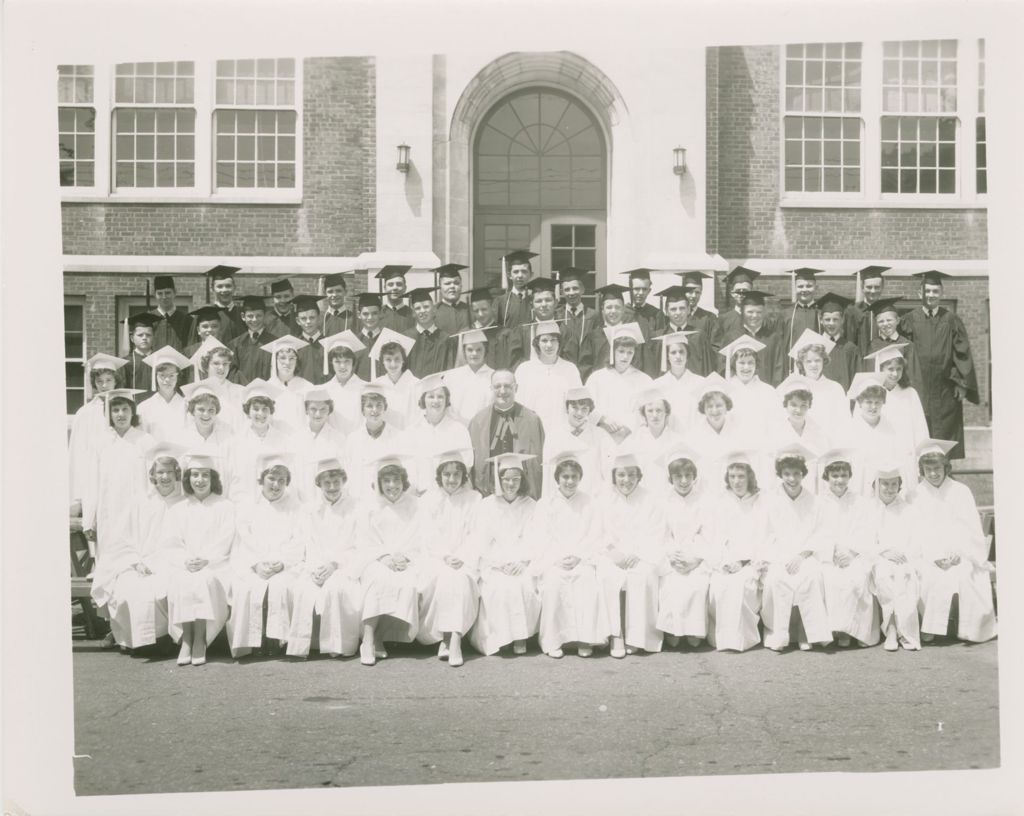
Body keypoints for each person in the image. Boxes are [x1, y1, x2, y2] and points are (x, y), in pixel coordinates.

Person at [90, 442, 185, 652]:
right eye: (160, 472)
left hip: (172, 563)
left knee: (167, 586)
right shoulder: (140, 502)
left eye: (170, 472)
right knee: (130, 587)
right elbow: (121, 539)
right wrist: (135, 562)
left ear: (177, 474)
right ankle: (135, 641)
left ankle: (164, 640)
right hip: (139, 561)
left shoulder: (184, 503)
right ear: (152, 475)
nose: (165, 477)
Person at [910, 439, 996, 643]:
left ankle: (968, 629)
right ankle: (929, 626)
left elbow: (971, 529)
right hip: (927, 555)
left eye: (937, 468)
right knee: (926, 575)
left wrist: (959, 553)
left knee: (967, 575)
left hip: (961, 554)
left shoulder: (960, 491)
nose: (933, 473)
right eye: (928, 469)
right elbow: (916, 533)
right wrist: (935, 556)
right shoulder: (915, 495)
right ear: (921, 469)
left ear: (946, 467)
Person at [356, 454, 436, 665]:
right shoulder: (369, 507)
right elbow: (363, 541)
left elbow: (424, 539)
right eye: (387, 481)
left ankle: (381, 637)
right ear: (379, 483)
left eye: (396, 480)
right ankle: (368, 638)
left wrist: (406, 558)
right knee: (378, 580)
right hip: (377, 560)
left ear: (404, 482)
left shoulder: (417, 506)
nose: (392, 486)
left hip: (408, 561)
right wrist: (383, 557)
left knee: (408, 583)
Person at [533, 449, 612, 658]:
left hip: (581, 558)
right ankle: (553, 640)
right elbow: (541, 536)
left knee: (585, 579)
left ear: (580, 478)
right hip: (554, 560)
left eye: (573, 477)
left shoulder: (589, 502)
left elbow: (595, 534)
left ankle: (584, 638)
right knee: (554, 582)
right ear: (557, 478)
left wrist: (579, 556)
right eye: (565, 477)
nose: (569, 481)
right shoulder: (545, 504)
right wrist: (558, 558)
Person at [228, 453, 304, 658]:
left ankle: (275, 639)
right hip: (253, 564)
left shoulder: (296, 507)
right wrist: (256, 564)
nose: (276, 485)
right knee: (247, 588)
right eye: (271, 479)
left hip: (285, 565)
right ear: (261, 480)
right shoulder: (248, 506)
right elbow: (242, 539)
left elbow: (298, 540)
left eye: (281, 480)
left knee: (280, 586)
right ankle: (252, 641)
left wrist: (282, 563)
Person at [163, 451, 236, 666]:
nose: (200, 480)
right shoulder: (178, 510)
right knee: (183, 579)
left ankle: (200, 640)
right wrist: (185, 560)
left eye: (205, 475)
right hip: (185, 565)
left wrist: (206, 560)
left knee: (203, 579)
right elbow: (171, 543)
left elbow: (226, 540)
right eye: (195, 475)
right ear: (188, 479)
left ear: (213, 478)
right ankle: (187, 638)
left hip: (216, 565)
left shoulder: (225, 507)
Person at [287, 458, 364, 659]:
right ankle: (305, 645)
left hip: (343, 568)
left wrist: (334, 565)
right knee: (304, 590)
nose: (332, 487)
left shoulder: (356, 508)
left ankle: (337, 645)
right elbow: (303, 544)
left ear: (343, 482)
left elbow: (359, 546)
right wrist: (313, 569)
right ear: (319, 484)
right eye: (327, 483)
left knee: (336, 589)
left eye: (336, 482)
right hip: (315, 568)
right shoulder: (308, 510)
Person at [758, 444, 833, 652]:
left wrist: (802, 555)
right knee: (777, 578)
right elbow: (765, 535)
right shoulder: (770, 501)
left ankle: (805, 631)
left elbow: (821, 533)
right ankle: (779, 633)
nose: (792, 479)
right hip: (779, 557)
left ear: (803, 474)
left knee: (811, 576)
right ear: (780, 475)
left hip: (806, 555)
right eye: (787, 474)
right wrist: (781, 558)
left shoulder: (814, 502)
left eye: (797, 474)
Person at [899, 270, 980, 459]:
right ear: (920, 294)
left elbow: (962, 353)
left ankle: (945, 475)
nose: (931, 295)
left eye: (935, 291)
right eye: (927, 291)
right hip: (918, 387)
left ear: (941, 293)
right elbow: (902, 352)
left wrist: (961, 383)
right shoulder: (909, 320)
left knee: (944, 433)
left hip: (945, 388)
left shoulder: (951, 320)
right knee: (918, 430)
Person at [468, 453, 541, 656]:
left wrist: (523, 561)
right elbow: (481, 541)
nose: (510, 483)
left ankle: (520, 637)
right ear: (498, 480)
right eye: (506, 479)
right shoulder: (486, 505)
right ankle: (501, 637)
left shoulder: (531, 505)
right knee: (498, 588)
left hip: (522, 560)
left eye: (515, 479)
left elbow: (534, 538)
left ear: (522, 479)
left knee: (522, 584)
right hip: (494, 562)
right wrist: (499, 563)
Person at [417, 450, 482, 667]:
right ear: (439, 476)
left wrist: (462, 556)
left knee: (460, 578)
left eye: (456, 474)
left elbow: (477, 533)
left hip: (466, 559)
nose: (452, 479)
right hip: (437, 558)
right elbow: (428, 535)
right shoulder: (428, 500)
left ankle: (453, 640)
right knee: (445, 577)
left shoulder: (474, 499)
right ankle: (445, 637)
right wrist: (446, 555)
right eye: (447, 474)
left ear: (464, 477)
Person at [597, 452, 665, 657]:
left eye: (631, 475)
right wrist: (613, 553)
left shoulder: (650, 500)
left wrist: (638, 553)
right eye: (621, 475)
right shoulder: (604, 499)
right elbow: (599, 532)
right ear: (614, 476)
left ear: (639, 476)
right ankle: (615, 635)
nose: (626, 480)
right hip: (612, 555)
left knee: (642, 575)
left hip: (641, 555)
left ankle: (637, 636)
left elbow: (656, 532)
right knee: (608, 575)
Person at [81, 390, 154, 563]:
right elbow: (92, 483)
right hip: (108, 513)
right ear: (109, 414)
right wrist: (89, 520)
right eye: (115, 410)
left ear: (132, 412)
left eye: (125, 409)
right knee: (109, 563)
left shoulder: (146, 441)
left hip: (137, 514)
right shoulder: (100, 442)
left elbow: (153, 483)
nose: (120, 414)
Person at [816, 449, 879, 648]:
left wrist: (851, 552)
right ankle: (837, 630)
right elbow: (816, 533)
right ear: (827, 477)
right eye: (835, 475)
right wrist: (832, 552)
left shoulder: (860, 502)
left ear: (850, 476)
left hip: (856, 554)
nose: (839, 480)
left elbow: (867, 532)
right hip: (829, 556)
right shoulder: (818, 503)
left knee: (857, 577)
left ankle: (856, 631)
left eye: (844, 475)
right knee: (831, 579)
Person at [704, 450, 765, 652]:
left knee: (741, 584)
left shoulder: (760, 502)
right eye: (732, 476)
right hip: (725, 562)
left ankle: (742, 640)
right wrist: (723, 562)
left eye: (741, 476)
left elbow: (763, 538)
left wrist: (742, 562)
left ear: (749, 477)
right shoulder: (720, 502)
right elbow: (714, 537)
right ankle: (722, 639)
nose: (736, 481)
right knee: (720, 585)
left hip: (751, 562)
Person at [656, 447, 715, 648]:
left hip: (697, 558)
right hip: (671, 558)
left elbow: (708, 535)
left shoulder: (705, 501)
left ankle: (694, 631)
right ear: (670, 478)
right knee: (671, 586)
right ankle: (674, 631)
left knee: (696, 585)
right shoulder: (663, 502)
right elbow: (662, 535)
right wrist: (673, 555)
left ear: (694, 477)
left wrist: (694, 559)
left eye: (687, 475)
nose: (683, 481)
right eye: (678, 476)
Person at [866, 461, 921, 652]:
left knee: (905, 575)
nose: (889, 489)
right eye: (885, 484)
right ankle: (890, 628)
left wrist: (903, 555)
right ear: (876, 485)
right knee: (883, 574)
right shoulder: (868, 510)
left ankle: (904, 631)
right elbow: (864, 541)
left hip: (903, 558)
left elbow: (915, 540)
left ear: (899, 486)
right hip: (877, 557)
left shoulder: (907, 510)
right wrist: (883, 552)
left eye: (893, 484)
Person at [467, 369, 545, 498]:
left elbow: (538, 465)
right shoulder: (478, 422)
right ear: (491, 388)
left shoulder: (532, 420)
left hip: (522, 497)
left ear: (516, 388)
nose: (502, 391)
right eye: (497, 386)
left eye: (508, 386)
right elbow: (470, 464)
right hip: (487, 495)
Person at [69, 353, 128, 518]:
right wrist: (77, 496)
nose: (104, 385)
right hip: (93, 482)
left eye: (109, 380)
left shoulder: (126, 409)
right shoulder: (85, 413)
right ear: (94, 383)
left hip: (120, 481)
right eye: (99, 381)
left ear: (116, 381)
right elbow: (77, 454)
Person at [845, 373, 915, 495]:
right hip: (859, 490)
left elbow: (902, 463)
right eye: (868, 402)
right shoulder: (849, 430)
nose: (873, 407)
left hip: (887, 491)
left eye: (878, 402)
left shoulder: (893, 430)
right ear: (860, 403)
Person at [401, 373, 472, 494]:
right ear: (423, 400)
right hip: (419, 496)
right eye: (431, 396)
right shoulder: (411, 432)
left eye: (440, 397)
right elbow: (406, 466)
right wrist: (416, 490)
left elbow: (467, 464)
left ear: (446, 400)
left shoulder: (459, 430)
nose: (436, 401)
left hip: (452, 496)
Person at [584, 323, 653, 443]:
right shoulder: (596, 378)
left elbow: (647, 412)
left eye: (630, 352)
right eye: (621, 351)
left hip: (632, 438)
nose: (625, 356)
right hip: (600, 437)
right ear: (612, 351)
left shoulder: (645, 380)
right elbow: (586, 407)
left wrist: (627, 428)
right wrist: (602, 419)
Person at [227, 379, 293, 502]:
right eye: (256, 409)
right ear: (248, 411)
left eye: (265, 409)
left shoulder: (283, 440)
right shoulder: (236, 442)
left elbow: (288, 476)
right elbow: (230, 477)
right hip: (243, 503)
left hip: (275, 504)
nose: (260, 413)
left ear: (271, 411)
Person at [512, 320, 582, 433]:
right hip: (531, 432)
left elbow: (578, 404)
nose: (549, 345)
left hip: (562, 432)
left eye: (553, 340)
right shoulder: (524, 370)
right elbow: (516, 404)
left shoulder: (570, 369)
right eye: (544, 340)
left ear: (559, 343)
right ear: (537, 343)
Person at [542, 386, 614, 491]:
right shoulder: (554, 436)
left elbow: (608, 473)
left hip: (592, 500)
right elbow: (548, 477)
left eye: (584, 408)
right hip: (563, 501)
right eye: (574, 407)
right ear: (567, 408)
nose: (579, 413)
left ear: (590, 411)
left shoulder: (600, 435)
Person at [342, 382, 403, 499]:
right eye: (369, 406)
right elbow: (347, 473)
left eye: (379, 405)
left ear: (385, 407)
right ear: (362, 410)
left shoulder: (398, 437)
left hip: (388, 502)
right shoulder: (353, 439)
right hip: (359, 500)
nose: (374, 410)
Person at [865, 344, 929, 452]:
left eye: (899, 369)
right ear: (880, 369)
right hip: (880, 451)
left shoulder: (910, 393)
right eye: (890, 369)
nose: (895, 373)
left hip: (905, 451)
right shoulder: (872, 395)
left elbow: (920, 428)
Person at [788, 329, 852, 438]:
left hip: (830, 444)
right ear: (801, 364)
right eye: (808, 361)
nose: (814, 365)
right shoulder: (792, 387)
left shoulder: (835, 388)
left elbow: (844, 422)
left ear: (824, 361)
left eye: (817, 360)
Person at [716, 289, 786, 386]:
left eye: (759, 312)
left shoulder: (773, 338)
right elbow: (723, 367)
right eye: (750, 312)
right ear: (742, 311)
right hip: (737, 392)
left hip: (766, 394)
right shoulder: (731, 337)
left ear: (764, 312)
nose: (754, 316)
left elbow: (779, 369)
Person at [644, 285, 717, 377]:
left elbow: (708, 369)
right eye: (673, 309)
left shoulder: (699, 336)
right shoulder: (657, 338)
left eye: (682, 308)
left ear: (689, 310)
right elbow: (652, 371)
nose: (678, 313)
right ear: (666, 311)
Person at [578, 284, 645, 379]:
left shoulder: (633, 335)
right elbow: (585, 369)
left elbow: (639, 365)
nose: (613, 311)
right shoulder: (592, 336)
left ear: (623, 310)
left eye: (617, 307)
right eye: (609, 307)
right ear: (602, 310)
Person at [291, 387, 346, 504]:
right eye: (313, 409)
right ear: (306, 410)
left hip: (330, 504)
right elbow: (292, 475)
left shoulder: (338, 439)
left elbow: (343, 475)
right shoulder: (295, 440)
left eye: (323, 409)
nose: (318, 414)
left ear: (329, 410)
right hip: (301, 503)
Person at [863, 298, 925, 395]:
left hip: (902, 394)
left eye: (889, 320)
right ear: (876, 323)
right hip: (879, 396)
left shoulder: (907, 345)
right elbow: (870, 374)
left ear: (897, 320)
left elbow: (914, 377)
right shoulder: (872, 346)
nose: (885, 324)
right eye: (881, 321)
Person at [626, 390, 684, 490]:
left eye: (659, 410)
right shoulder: (635, 440)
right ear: (643, 413)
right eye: (650, 411)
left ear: (666, 412)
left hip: (668, 497)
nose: (655, 415)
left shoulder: (677, 441)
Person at [717, 336, 774, 438]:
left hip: (761, 447)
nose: (746, 367)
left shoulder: (768, 391)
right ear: (734, 364)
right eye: (741, 363)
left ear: (756, 364)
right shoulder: (724, 391)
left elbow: (775, 424)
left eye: (750, 362)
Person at [687, 373, 747, 469]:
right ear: (703, 408)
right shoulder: (693, 436)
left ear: (726, 406)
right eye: (710, 406)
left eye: (719, 405)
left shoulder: (739, 432)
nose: (714, 411)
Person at [653, 330, 706, 433]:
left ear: (687, 354)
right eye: (673, 352)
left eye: (681, 351)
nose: (678, 356)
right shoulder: (658, 385)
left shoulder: (700, 383)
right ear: (667, 356)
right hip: (667, 440)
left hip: (694, 439)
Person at [368, 328, 419, 429]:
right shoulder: (376, 385)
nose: (393, 364)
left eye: (397, 359)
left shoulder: (415, 384)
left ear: (403, 360)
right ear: (382, 361)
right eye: (388, 359)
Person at [137, 347, 190, 442]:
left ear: (178, 376)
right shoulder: (144, 407)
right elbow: (141, 440)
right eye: (162, 375)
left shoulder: (186, 405)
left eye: (171, 375)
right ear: (155, 376)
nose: (167, 380)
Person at [443, 328, 495, 424]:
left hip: (483, 429)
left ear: (485, 351)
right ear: (464, 351)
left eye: (479, 349)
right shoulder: (451, 376)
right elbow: (445, 406)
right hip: (456, 429)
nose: (474, 353)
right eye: (470, 350)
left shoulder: (494, 376)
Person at [320, 330, 368, 432]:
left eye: (347, 361)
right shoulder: (324, 390)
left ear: (353, 362)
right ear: (331, 363)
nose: (342, 366)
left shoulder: (365, 388)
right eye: (337, 361)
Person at [263, 335, 315, 428]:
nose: (287, 362)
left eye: (292, 358)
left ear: (297, 361)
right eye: (282, 358)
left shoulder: (307, 387)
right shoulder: (266, 388)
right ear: (274, 360)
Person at [778, 267, 824, 370]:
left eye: (809, 286)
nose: (804, 289)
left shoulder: (822, 313)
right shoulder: (786, 314)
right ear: (795, 288)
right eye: (800, 286)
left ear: (816, 288)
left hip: (816, 367)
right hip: (791, 367)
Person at [403, 287, 454, 377]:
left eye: (426, 307)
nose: (422, 311)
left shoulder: (445, 338)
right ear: (413, 313)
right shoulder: (406, 337)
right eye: (418, 308)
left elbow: (449, 370)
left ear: (434, 309)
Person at [192, 343, 245, 427]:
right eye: (216, 363)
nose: (221, 368)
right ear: (206, 366)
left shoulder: (240, 391)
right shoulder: (197, 393)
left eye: (225, 363)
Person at [228, 295, 277, 385]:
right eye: (250, 316)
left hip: (267, 392)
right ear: (243, 316)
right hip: (242, 393)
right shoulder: (235, 344)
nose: (254, 320)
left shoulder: (275, 342)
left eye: (258, 315)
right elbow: (232, 373)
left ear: (265, 316)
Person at [844, 265, 891, 357]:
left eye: (877, 287)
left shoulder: (888, 311)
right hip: (860, 362)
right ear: (862, 287)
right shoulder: (853, 312)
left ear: (882, 287)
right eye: (869, 287)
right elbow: (849, 342)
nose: (873, 291)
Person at [817, 292, 859, 391]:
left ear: (842, 320)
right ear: (821, 320)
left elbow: (855, 381)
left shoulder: (851, 348)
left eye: (835, 319)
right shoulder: (814, 346)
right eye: (827, 319)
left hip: (843, 401)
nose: (831, 323)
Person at [712, 266, 761, 352]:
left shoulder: (759, 319)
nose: (741, 294)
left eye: (745, 291)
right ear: (732, 294)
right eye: (738, 290)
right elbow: (716, 347)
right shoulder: (723, 320)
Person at [556, 267, 596, 366]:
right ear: (562, 292)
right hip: (563, 372)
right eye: (567, 289)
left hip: (587, 371)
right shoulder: (557, 315)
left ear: (582, 289)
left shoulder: (593, 315)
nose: (571, 293)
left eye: (575, 288)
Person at [493, 250, 538, 328]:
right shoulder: (500, 302)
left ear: (531, 275)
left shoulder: (536, 299)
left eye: (524, 271)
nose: (520, 275)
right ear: (509, 275)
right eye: (516, 272)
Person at [292, 294, 329, 385]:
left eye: (312, 317)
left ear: (319, 318)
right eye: (303, 318)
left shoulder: (328, 344)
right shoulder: (294, 346)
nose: (308, 322)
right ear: (297, 321)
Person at [205, 265, 246, 343]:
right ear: (212, 289)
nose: (224, 290)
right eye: (219, 286)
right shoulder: (205, 314)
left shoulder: (244, 314)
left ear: (234, 287)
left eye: (228, 286)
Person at [150, 275, 192, 352]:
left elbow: (191, 346)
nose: (164, 297)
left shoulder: (187, 320)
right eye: (160, 293)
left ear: (175, 293)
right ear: (154, 295)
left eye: (167, 292)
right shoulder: (147, 319)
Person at [119, 312, 159, 390]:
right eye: (140, 335)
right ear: (132, 338)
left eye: (148, 335)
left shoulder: (160, 360)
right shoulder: (125, 362)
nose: (144, 338)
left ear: (153, 337)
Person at [625, 268, 666, 338]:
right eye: (637, 289)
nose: (641, 293)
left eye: (644, 289)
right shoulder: (623, 312)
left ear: (649, 291)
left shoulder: (657, 314)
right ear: (630, 289)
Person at [433, 263, 472, 336]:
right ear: (440, 287)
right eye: (447, 283)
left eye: (456, 283)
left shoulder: (470, 310)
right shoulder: (433, 312)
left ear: (461, 286)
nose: (452, 286)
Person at [353, 292, 385, 380]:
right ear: (359, 315)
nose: (370, 317)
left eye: (374, 313)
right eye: (365, 314)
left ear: (381, 313)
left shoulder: (388, 340)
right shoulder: (353, 342)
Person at [375, 265, 415, 334]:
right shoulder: (377, 315)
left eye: (399, 284)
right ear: (385, 288)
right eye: (390, 284)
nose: (395, 288)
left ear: (405, 288)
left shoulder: (413, 315)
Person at [680, 270, 718, 339]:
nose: (694, 295)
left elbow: (715, 345)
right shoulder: (676, 316)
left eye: (697, 292)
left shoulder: (709, 318)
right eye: (690, 292)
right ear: (683, 292)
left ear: (701, 293)